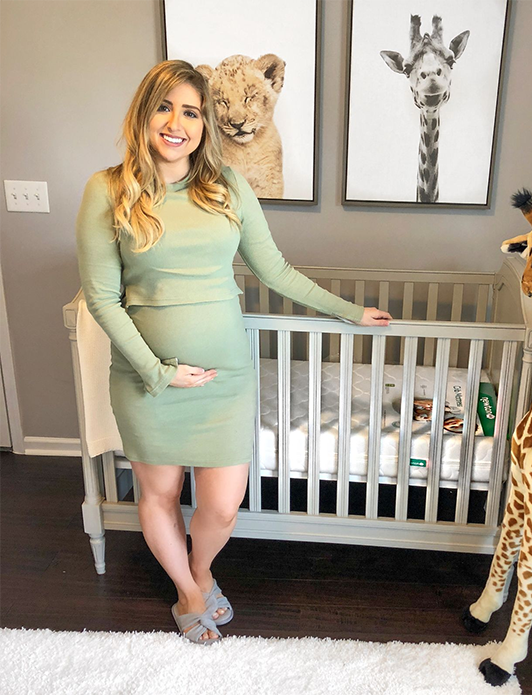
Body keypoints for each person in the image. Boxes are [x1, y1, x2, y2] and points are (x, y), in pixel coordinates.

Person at [75, 60, 392, 645]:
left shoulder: (227, 186)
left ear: (205, 124)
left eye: (192, 112)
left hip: (224, 379)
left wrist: (351, 311)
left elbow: (275, 270)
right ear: (143, 114)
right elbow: (101, 297)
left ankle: (200, 570)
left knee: (221, 508)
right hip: (149, 382)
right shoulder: (108, 188)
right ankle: (189, 595)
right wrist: (157, 371)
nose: (178, 123)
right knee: (160, 494)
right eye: (164, 107)